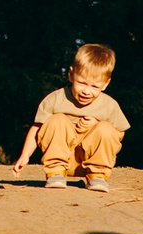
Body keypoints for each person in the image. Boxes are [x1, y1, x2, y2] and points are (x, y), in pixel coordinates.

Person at [13, 44, 131, 192]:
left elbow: (119, 134)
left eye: (95, 87)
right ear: (71, 74)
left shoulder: (109, 105)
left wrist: (97, 125)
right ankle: (55, 174)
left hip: (90, 161)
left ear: (106, 83)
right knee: (57, 120)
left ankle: (97, 176)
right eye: (81, 83)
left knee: (106, 128)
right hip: (61, 159)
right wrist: (25, 155)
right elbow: (37, 128)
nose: (86, 91)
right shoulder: (55, 99)